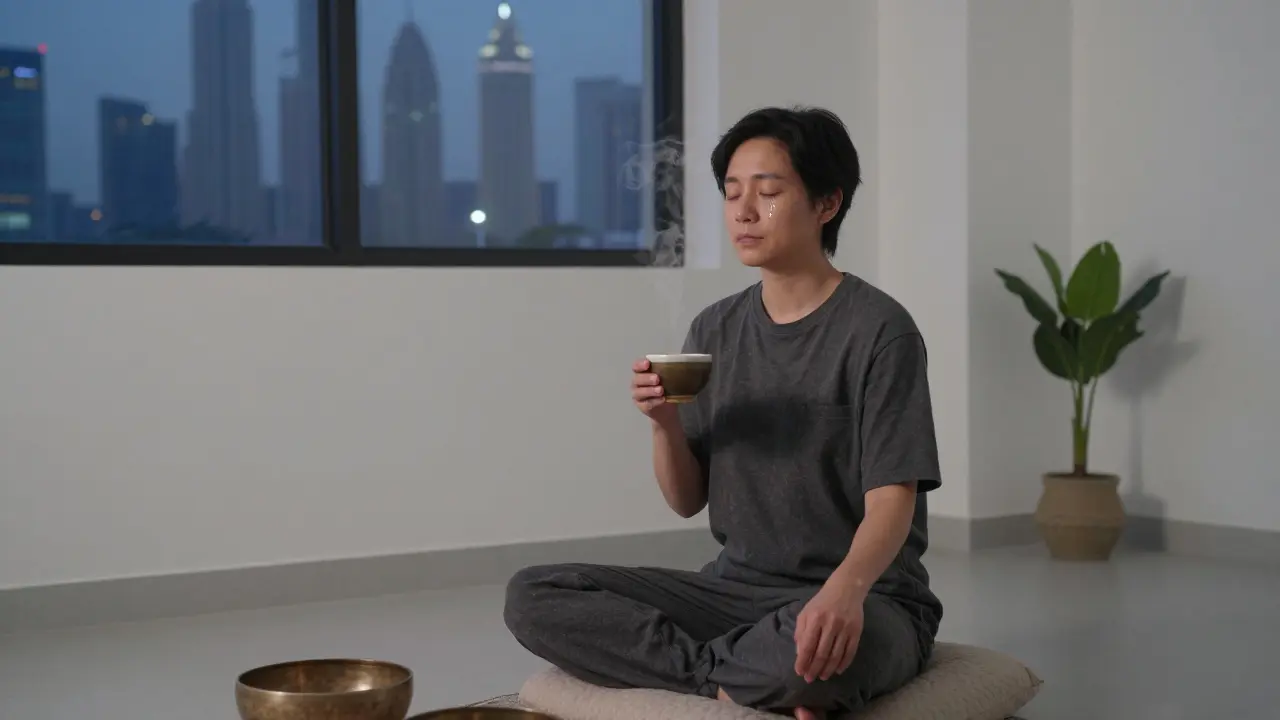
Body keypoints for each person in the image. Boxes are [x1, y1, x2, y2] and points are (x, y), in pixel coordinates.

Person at [503, 106, 943, 720]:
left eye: (767, 192)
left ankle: (749, 670)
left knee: (827, 643)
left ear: (826, 204)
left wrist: (843, 593)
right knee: (534, 595)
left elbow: (893, 499)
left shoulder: (879, 329)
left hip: (868, 598)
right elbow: (687, 500)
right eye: (732, 193)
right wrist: (664, 424)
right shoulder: (714, 328)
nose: (742, 211)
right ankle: (736, 677)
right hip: (732, 591)